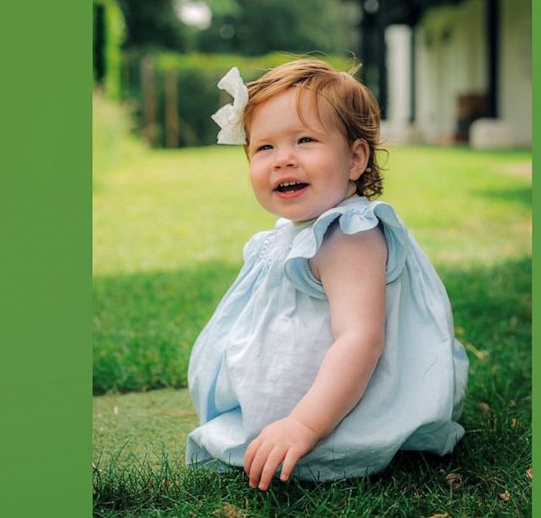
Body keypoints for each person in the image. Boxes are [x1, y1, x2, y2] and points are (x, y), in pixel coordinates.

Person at [186, 59, 468, 490]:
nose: (283, 160)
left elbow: (361, 339)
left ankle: (313, 433)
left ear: (355, 158)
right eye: (264, 148)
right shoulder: (296, 232)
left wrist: (302, 424)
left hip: (333, 411)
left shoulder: (350, 235)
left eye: (304, 140)